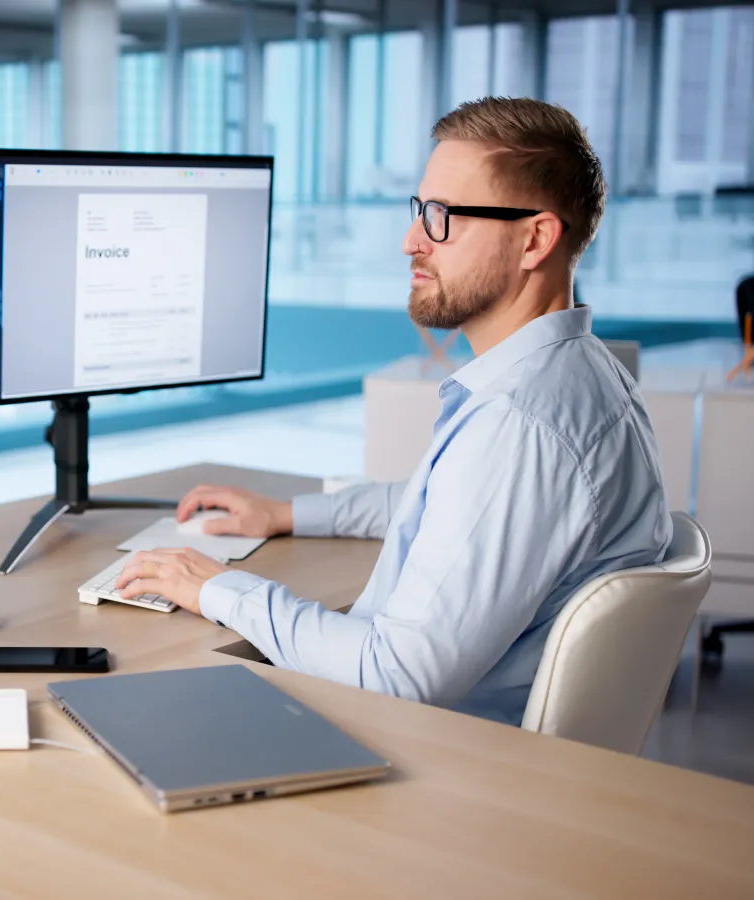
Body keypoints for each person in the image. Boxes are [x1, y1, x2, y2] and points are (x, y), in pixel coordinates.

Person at [115, 97, 670, 726]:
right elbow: (445, 501)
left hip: (433, 750)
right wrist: (286, 515)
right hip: (466, 740)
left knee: (143, 718)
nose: (411, 242)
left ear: (535, 239)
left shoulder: (521, 424)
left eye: (442, 218)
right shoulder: (583, 373)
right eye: (419, 211)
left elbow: (398, 678)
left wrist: (219, 589)